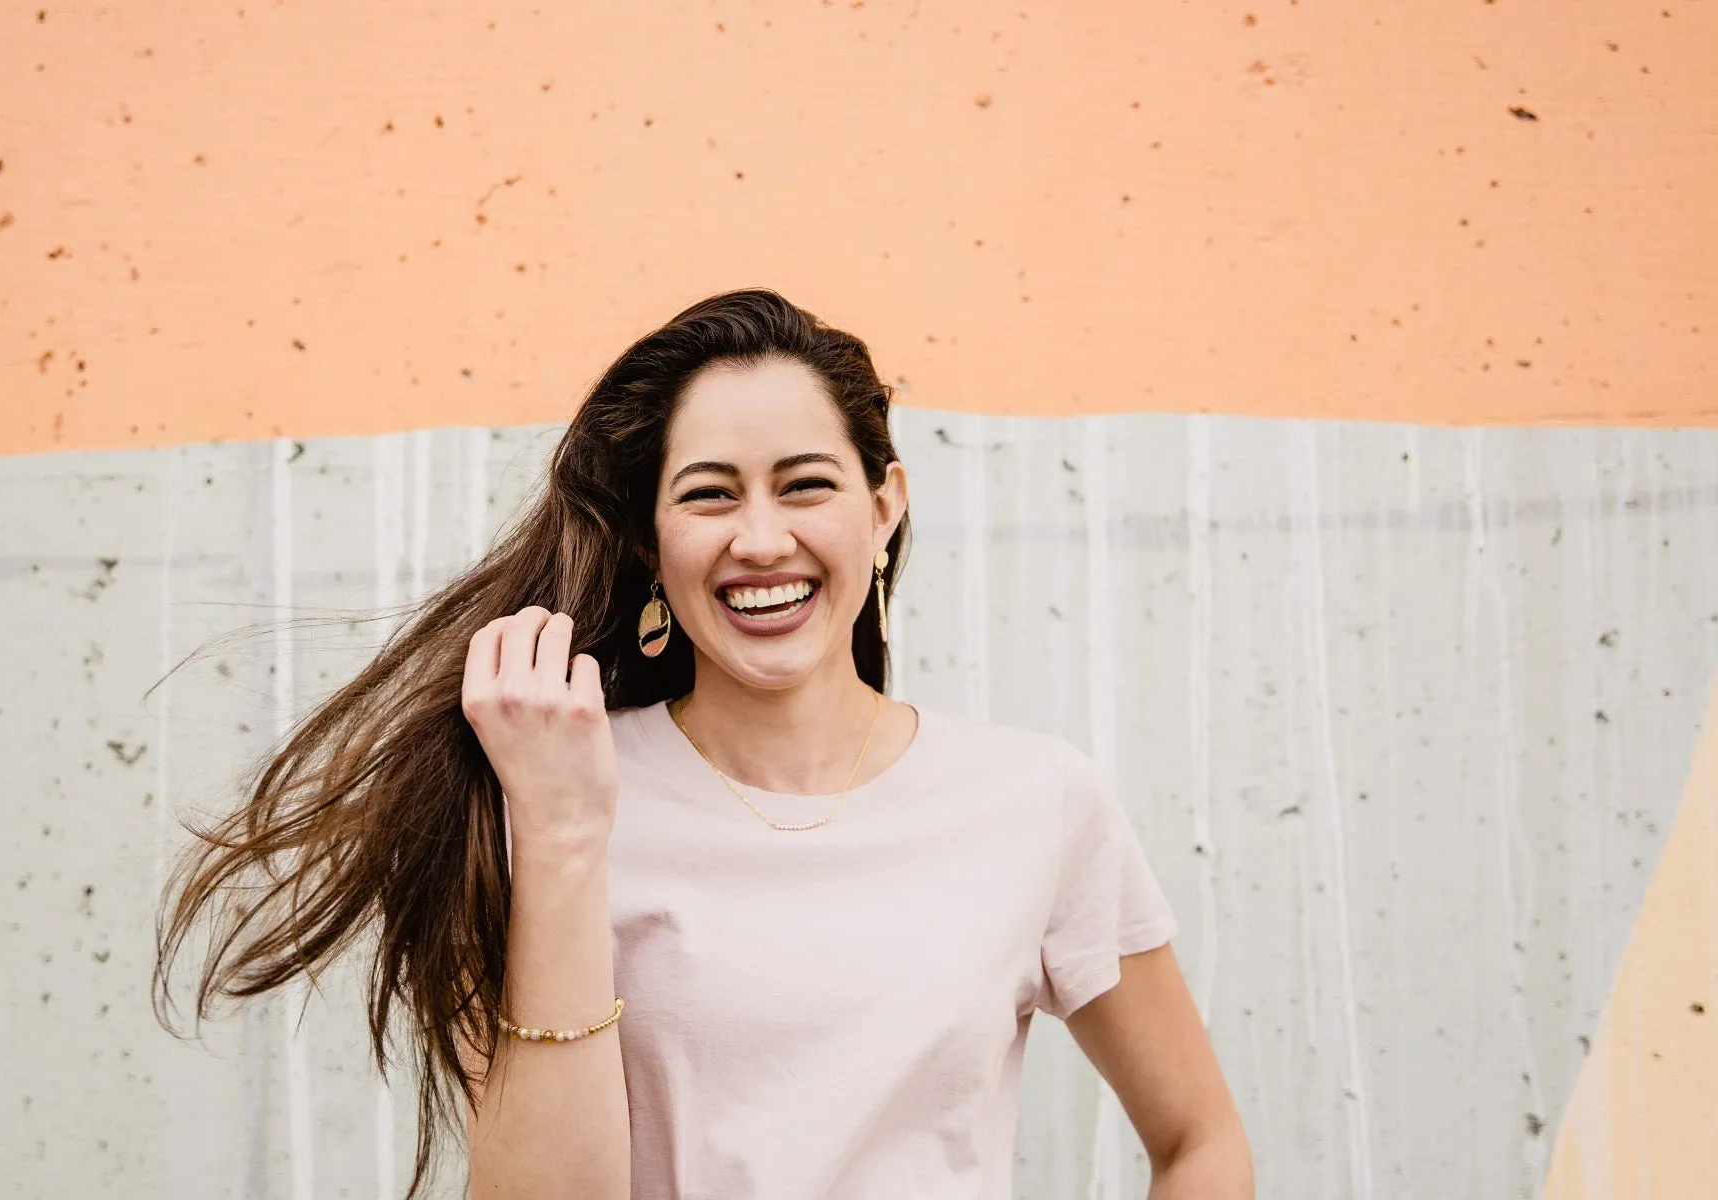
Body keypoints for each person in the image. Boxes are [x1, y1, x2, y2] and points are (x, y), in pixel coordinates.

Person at [154, 288, 1253, 1199]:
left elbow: (1201, 1140)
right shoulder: (553, 797)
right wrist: (563, 834)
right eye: (710, 495)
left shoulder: (1037, 802)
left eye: (807, 485)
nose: (761, 538)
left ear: (884, 511)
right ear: (653, 541)